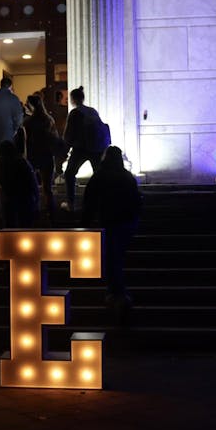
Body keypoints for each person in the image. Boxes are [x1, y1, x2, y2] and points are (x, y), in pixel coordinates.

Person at [81, 145, 142, 322]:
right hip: (126, 222)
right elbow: (136, 200)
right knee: (117, 257)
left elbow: (89, 200)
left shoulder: (100, 176)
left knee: (112, 258)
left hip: (110, 222)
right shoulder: (127, 177)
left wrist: (85, 223)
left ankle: (117, 293)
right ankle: (118, 293)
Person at [61, 85, 107, 211]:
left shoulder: (75, 113)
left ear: (73, 99)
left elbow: (69, 134)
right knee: (98, 175)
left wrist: (64, 151)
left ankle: (71, 203)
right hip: (97, 148)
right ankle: (101, 202)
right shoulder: (92, 111)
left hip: (80, 148)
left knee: (70, 173)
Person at [22, 94, 65, 224]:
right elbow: (55, 138)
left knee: (31, 187)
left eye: (27, 104)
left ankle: (34, 212)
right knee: (47, 188)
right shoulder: (48, 119)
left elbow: (25, 142)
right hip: (47, 156)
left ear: (31, 106)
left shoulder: (28, 122)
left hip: (32, 157)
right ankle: (51, 214)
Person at [0, 140, 39, 228]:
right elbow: (34, 184)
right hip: (26, 199)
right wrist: (36, 203)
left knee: (10, 229)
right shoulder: (23, 162)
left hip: (9, 201)